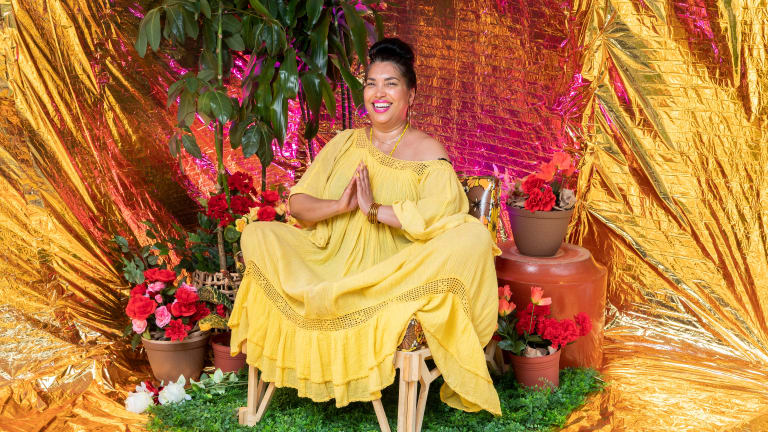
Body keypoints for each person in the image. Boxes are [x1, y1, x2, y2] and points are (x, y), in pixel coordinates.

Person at [228, 38, 501, 416]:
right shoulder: (344, 142)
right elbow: (299, 204)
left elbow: (443, 214)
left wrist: (374, 209)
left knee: (472, 236)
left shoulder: (429, 153)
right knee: (258, 234)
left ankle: (364, 300)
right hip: (330, 257)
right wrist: (341, 205)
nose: (379, 92)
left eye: (391, 83)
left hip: (393, 274)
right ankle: (332, 296)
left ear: (411, 94)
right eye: (371, 83)